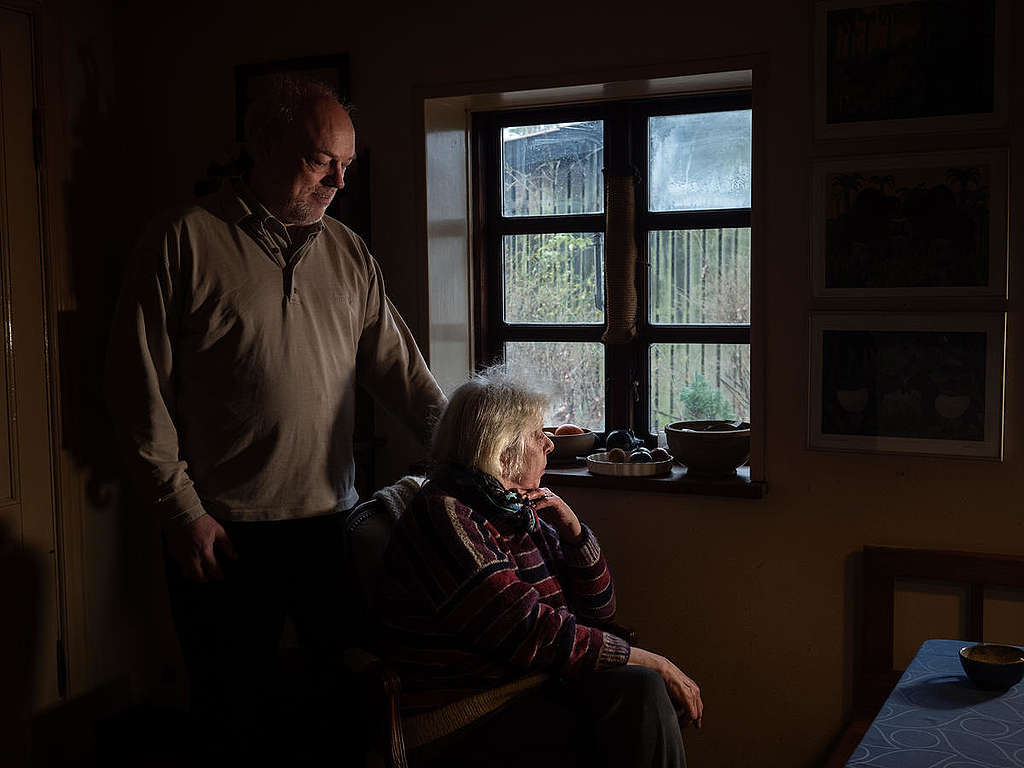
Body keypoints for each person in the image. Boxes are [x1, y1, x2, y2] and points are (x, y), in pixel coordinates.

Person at [106, 75, 444, 760]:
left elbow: (403, 375)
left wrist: (475, 449)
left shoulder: (349, 253)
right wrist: (180, 511)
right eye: (323, 161)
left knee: (342, 712)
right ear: (263, 144)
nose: (339, 181)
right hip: (223, 533)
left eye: (348, 166)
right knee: (233, 718)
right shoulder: (184, 240)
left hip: (332, 525)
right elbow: (135, 388)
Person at [374, 368, 702, 768]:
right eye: (536, 433)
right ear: (500, 449)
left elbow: (600, 614)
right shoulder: (446, 516)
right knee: (642, 689)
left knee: (640, 692)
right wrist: (648, 659)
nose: (548, 443)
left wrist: (574, 532)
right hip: (466, 714)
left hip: (530, 688)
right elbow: (528, 629)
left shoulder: (514, 508)